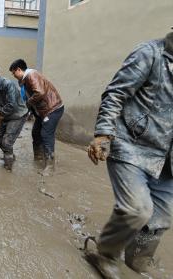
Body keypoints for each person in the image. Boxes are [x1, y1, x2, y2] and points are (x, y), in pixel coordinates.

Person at [84, 31, 173, 279]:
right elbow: (116, 93)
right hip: (132, 145)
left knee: (160, 220)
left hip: (168, 160)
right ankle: (107, 254)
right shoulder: (150, 54)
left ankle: (138, 261)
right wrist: (102, 134)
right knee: (137, 209)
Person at [9, 59, 64, 176]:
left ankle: (50, 166)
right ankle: (38, 159)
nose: (13, 75)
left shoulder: (31, 75)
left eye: (14, 72)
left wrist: (28, 103)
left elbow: (39, 92)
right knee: (35, 133)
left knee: (46, 134)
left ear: (19, 69)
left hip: (52, 109)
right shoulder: (26, 79)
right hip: (42, 111)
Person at [0, 64, 28, 172]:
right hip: (5, 115)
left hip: (17, 115)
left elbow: (12, 104)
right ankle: (10, 154)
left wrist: (1, 113)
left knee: (7, 142)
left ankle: (8, 167)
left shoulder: (7, 84)